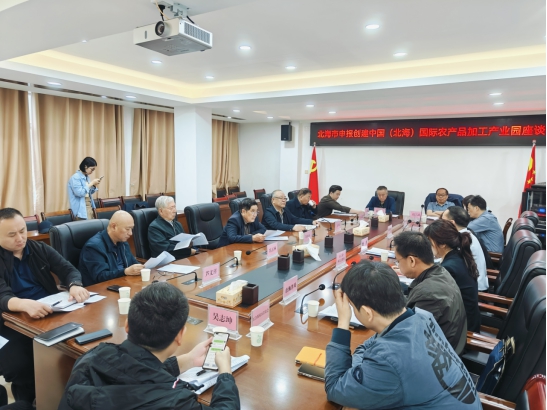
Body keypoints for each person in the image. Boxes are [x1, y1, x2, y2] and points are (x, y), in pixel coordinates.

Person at [325, 261, 481, 410]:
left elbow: (335, 387)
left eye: (352, 307)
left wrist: (343, 322)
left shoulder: (388, 360)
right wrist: (357, 371)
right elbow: (369, 347)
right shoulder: (421, 317)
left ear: (367, 313)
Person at [58, 282, 240, 410]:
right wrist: (225, 373)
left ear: (127, 325)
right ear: (180, 336)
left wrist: (188, 360)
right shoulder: (176, 401)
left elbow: (136, 375)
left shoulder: (91, 358)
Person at [0, 208, 89, 410]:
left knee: (74, 347)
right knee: (21, 365)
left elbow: (67, 269)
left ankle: (63, 396)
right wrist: (23, 304)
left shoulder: (38, 248)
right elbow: (2, 295)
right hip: (8, 323)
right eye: (12, 235)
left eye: (22, 231)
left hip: (48, 314)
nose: (20, 238)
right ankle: (28, 403)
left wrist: (74, 284)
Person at [392, 231, 467, 354]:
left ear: (412, 261)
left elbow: (408, 339)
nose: (398, 265)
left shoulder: (429, 294)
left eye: (398, 261)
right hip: (446, 347)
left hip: (438, 357)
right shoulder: (440, 272)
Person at [424, 220, 481, 333]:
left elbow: (435, 302)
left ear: (442, 244)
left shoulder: (449, 268)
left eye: (429, 242)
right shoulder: (457, 255)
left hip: (461, 329)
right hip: (466, 319)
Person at [79, 211, 144, 286]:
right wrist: (125, 271)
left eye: (131, 229)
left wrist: (140, 267)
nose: (130, 233)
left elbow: (133, 262)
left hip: (123, 283)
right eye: (127, 229)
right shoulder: (94, 247)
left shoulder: (123, 242)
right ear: (114, 227)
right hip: (102, 288)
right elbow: (100, 276)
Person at [442, 206, 490, 291]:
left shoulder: (462, 240)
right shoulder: (467, 234)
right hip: (472, 283)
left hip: (474, 290)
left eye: (442, 220)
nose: (440, 224)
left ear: (452, 223)